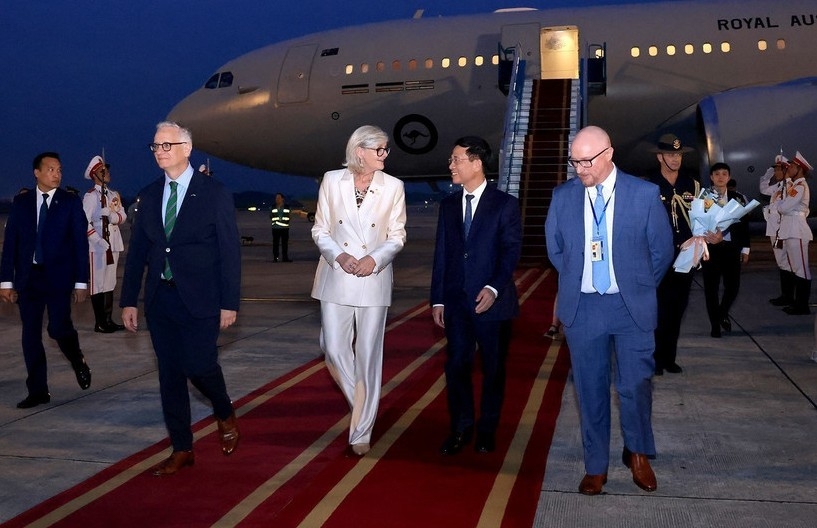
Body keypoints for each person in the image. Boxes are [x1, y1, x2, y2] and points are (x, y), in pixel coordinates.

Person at [545, 125, 674, 495]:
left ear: (609, 154)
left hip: (630, 308)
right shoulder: (563, 196)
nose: (580, 169)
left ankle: (637, 453)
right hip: (584, 308)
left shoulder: (643, 194)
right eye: (575, 162)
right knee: (590, 390)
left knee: (636, 385)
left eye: (587, 161)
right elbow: (556, 248)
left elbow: (662, 250)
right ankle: (595, 466)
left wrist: (637, 285)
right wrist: (579, 277)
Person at [120, 122, 242, 475]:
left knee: (200, 365)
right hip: (161, 299)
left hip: (203, 298)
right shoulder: (148, 195)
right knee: (170, 375)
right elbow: (138, 252)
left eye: (167, 145)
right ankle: (182, 448)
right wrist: (129, 300)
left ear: (186, 148)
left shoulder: (214, 193)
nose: (159, 151)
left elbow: (229, 251)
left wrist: (229, 302)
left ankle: (223, 410)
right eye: (155, 146)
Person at [311, 125, 407, 456]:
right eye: (379, 149)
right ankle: (364, 405)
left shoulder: (393, 187)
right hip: (337, 274)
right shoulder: (331, 180)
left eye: (385, 149)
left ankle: (361, 431)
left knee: (368, 355)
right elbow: (320, 229)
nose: (385, 154)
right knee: (333, 348)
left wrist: (374, 259)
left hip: (373, 278)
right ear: (359, 151)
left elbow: (397, 235)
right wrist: (339, 255)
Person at [431, 136, 522, 455]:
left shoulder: (505, 204)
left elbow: (510, 251)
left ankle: (487, 430)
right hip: (456, 303)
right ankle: (461, 427)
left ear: (477, 163)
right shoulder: (448, 206)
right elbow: (442, 254)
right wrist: (438, 299)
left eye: (456, 159)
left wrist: (494, 287)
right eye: (451, 160)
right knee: (456, 365)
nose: (451, 165)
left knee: (493, 369)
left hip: (493, 304)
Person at [0, 152, 92, 408]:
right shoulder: (21, 203)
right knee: (30, 335)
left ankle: (77, 359)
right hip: (29, 279)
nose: (57, 174)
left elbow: (80, 244)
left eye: (59, 170)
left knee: (58, 328)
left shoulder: (70, 202)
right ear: (37, 173)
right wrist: (6, 282)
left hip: (59, 279)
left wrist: (81, 282)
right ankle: (38, 390)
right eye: (51, 169)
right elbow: (11, 244)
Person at [648, 133, 699, 375]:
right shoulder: (649, 186)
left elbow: (703, 219)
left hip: (686, 257)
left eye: (678, 155)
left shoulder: (693, 185)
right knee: (658, 309)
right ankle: (655, 360)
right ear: (660, 157)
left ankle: (669, 358)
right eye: (670, 154)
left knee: (678, 308)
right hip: (658, 259)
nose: (675, 159)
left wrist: (713, 233)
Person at [701, 164, 750, 338]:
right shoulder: (704, 197)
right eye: (717, 174)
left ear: (729, 177)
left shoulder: (738, 198)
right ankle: (715, 325)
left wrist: (745, 248)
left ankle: (722, 313)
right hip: (711, 249)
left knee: (733, 287)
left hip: (731, 248)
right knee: (711, 289)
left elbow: (744, 225)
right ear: (711, 177)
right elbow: (697, 222)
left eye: (724, 174)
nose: (721, 177)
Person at [83, 157, 127, 333]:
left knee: (110, 282)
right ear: (95, 175)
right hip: (98, 246)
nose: (107, 173)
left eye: (107, 170)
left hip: (113, 243)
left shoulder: (113, 194)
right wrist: (97, 239)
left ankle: (108, 320)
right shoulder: (91, 196)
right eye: (103, 171)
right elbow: (83, 222)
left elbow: (122, 216)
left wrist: (112, 216)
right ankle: (100, 322)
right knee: (98, 284)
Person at [768, 151, 812, 315]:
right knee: (794, 267)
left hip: (797, 230)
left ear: (799, 169)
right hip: (790, 229)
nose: (789, 169)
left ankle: (802, 305)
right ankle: (795, 302)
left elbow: (784, 207)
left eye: (793, 167)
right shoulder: (794, 186)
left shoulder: (799, 187)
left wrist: (780, 206)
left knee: (801, 269)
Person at [759, 155, 792, 305]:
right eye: (776, 170)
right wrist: (769, 173)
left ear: (786, 171)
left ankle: (789, 296)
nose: (776, 172)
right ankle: (785, 295)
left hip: (783, 230)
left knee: (787, 262)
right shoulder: (778, 186)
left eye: (779, 170)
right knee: (781, 262)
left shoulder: (790, 187)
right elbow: (763, 188)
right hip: (774, 229)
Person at [270, 193, 293, 262]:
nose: (277, 199)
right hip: (275, 228)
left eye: (279, 198)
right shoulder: (272, 207)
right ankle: (275, 258)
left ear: (282, 199)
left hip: (284, 228)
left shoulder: (287, 207)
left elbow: (290, 216)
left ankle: (285, 258)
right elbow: (270, 216)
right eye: (276, 198)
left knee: (284, 244)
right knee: (275, 244)